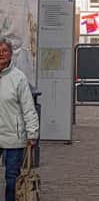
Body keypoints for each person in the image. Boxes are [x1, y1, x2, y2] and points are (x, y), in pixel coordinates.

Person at [0, 37, 39, 201]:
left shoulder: (19, 78)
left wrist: (32, 133)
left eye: (4, 51)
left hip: (13, 137)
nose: (1, 54)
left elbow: (28, 107)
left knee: (11, 179)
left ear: (10, 54)